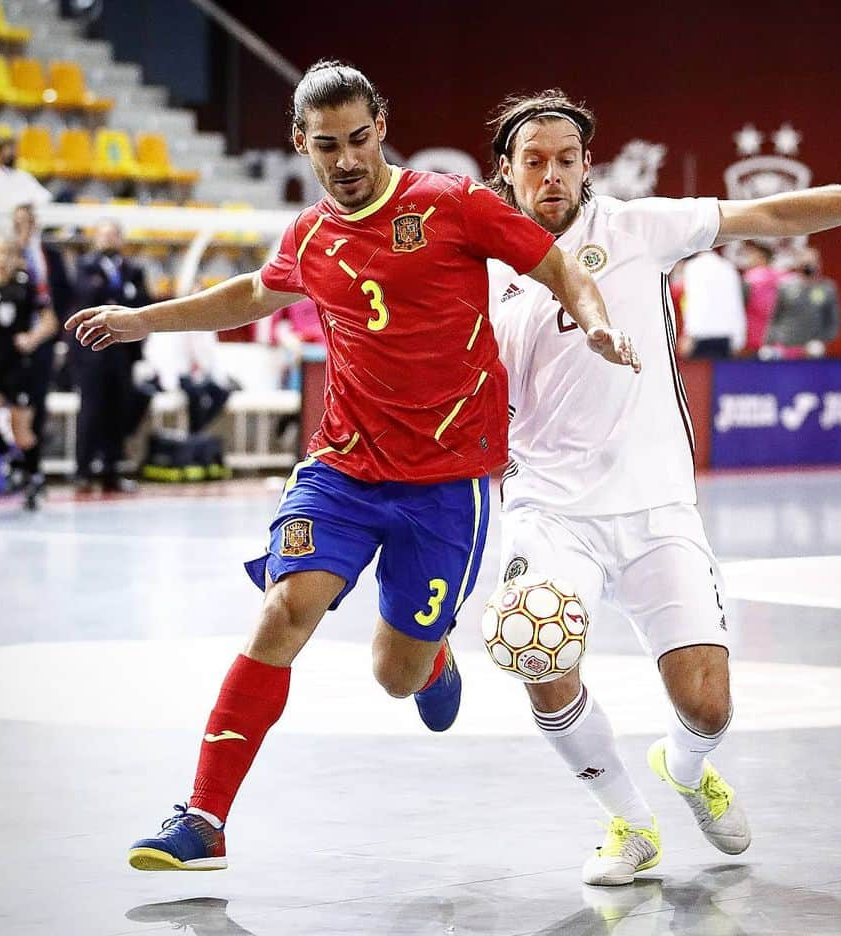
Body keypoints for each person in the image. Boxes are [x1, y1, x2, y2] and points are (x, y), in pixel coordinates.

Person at [65, 60, 639, 872]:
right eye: (327, 145)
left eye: (360, 139)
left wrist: (599, 322)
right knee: (282, 614)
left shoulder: (450, 203)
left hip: (445, 484)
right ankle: (203, 819)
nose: (347, 160)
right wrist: (140, 321)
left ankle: (430, 656)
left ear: (382, 127)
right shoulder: (308, 235)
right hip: (340, 470)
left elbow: (558, 267)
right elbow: (251, 295)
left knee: (395, 675)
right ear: (302, 142)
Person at [484, 89, 841, 886]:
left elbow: (779, 217)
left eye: (565, 159)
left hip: (656, 509)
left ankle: (685, 770)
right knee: (538, 650)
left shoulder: (634, 228)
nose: (551, 174)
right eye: (534, 161)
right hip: (549, 511)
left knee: (708, 707)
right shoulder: (479, 266)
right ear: (507, 173)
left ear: (587, 166)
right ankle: (627, 820)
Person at [0, 234, 58, 509]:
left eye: (7, 253)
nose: (2, 259)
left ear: (15, 257)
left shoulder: (26, 286)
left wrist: (31, 339)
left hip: (20, 366)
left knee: (21, 431)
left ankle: (35, 478)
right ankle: (14, 462)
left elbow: (50, 322)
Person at [70, 219, 152, 492]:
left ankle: (111, 470)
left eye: (114, 234)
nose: (109, 239)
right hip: (92, 351)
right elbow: (88, 295)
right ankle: (83, 470)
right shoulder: (86, 266)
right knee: (91, 410)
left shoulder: (132, 269)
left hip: (123, 352)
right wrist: (119, 301)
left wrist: (117, 301)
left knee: (118, 411)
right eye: (104, 234)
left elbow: (142, 304)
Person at [12, 202, 72, 496]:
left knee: (37, 401)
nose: (22, 227)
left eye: (27, 221)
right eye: (17, 222)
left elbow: (65, 293)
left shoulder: (51, 256)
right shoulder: (10, 257)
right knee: (16, 406)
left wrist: (55, 331)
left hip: (46, 337)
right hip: (14, 343)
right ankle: (20, 465)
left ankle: (32, 470)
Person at [763, 246, 841, 357]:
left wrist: (822, 341)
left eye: (811, 262)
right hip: (785, 347)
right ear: (798, 264)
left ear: (818, 264)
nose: (808, 267)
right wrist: (768, 344)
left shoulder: (827, 288)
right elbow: (775, 317)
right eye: (804, 263)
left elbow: (834, 321)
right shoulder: (785, 286)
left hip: (813, 349)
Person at [677, 247, 746, 358]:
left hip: (700, 333)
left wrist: (689, 333)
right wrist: (739, 338)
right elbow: (735, 305)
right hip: (725, 334)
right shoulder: (728, 267)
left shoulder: (692, 268)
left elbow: (694, 302)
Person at [737, 239, 784, 355]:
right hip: (775, 341)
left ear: (762, 257)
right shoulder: (783, 277)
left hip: (752, 340)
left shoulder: (751, 278)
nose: (748, 258)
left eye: (752, 254)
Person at [0, 135, 53, 208]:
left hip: (25, 214)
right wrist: (24, 203)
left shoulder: (23, 175)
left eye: (14, 149)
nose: (12, 153)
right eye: (8, 150)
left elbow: (44, 196)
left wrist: (31, 203)